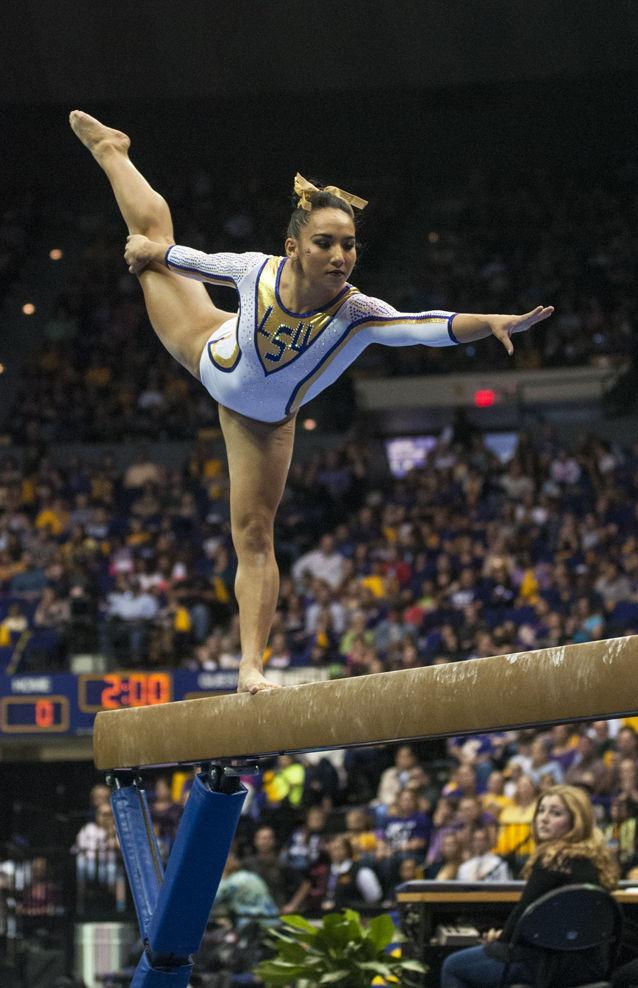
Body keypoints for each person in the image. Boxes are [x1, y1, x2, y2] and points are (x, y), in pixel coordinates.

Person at [69, 110, 554, 693]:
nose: (339, 256)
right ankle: (114, 153)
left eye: (349, 245)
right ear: (293, 246)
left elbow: (425, 325)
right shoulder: (256, 272)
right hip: (205, 348)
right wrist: (149, 252)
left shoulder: (357, 314)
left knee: (254, 535)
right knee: (158, 240)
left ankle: (250, 666)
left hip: (265, 424)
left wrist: (492, 320)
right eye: (324, 243)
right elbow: (186, 259)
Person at [440, 784, 619, 987]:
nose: (543, 818)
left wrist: (500, 938)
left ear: (576, 822)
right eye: (541, 810)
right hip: (589, 966)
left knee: (452, 966)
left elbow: (522, 917)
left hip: (544, 966)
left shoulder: (552, 861)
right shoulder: (597, 863)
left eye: (556, 813)